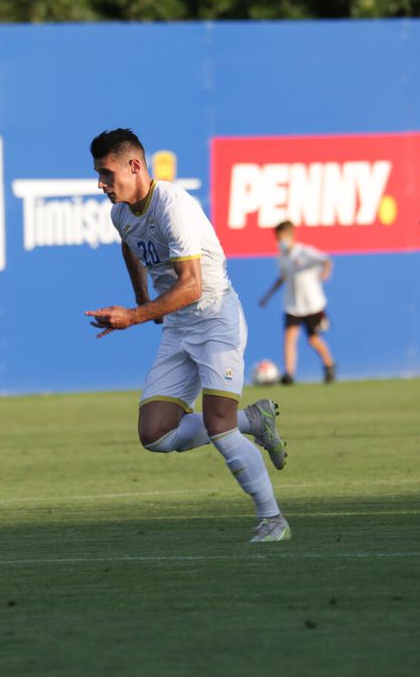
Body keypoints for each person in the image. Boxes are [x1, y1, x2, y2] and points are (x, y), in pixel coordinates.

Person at [84, 128, 292, 543]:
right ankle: (254, 418)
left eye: (107, 174)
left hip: (214, 317)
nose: (102, 184)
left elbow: (193, 285)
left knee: (219, 427)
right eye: (99, 175)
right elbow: (130, 245)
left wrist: (136, 315)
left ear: (135, 166)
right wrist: (142, 297)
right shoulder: (120, 213)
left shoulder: (173, 206)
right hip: (179, 324)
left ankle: (274, 521)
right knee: (155, 434)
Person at [258, 221, 336, 384]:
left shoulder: (305, 253)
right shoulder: (282, 256)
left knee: (313, 340)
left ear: (290, 236)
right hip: (293, 305)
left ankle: (329, 365)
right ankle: (289, 374)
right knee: (289, 339)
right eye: (277, 238)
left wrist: (325, 273)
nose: (279, 241)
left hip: (312, 305)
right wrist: (267, 296)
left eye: (281, 238)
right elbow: (282, 277)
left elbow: (326, 261)